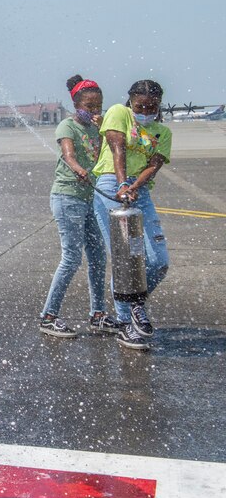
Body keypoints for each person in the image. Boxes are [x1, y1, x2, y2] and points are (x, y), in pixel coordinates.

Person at [91, 79, 172, 351]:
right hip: (111, 183)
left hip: (141, 191)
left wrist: (135, 186)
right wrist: (124, 184)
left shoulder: (162, 131)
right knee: (125, 257)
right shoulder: (119, 113)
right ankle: (125, 323)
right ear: (131, 102)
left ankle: (135, 301)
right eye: (141, 106)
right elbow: (117, 148)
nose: (146, 111)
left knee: (158, 260)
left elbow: (155, 165)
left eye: (152, 107)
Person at [38, 75, 119, 339]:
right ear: (76, 104)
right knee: (71, 258)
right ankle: (48, 317)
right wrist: (78, 169)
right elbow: (69, 154)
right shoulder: (67, 126)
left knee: (98, 258)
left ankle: (98, 314)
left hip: (91, 198)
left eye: (99, 106)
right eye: (89, 106)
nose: (95, 111)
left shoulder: (100, 127)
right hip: (68, 196)